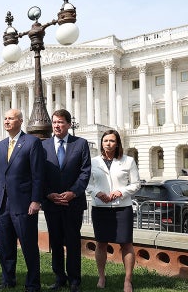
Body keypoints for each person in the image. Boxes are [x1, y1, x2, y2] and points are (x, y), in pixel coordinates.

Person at [0, 109, 43, 292]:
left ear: (20, 121)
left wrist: (36, 200)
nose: (6, 121)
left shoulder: (32, 142)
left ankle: (33, 283)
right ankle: (8, 280)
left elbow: (38, 175)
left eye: (10, 118)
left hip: (24, 204)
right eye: (5, 118)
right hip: (3, 204)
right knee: (5, 246)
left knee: (29, 245)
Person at [41, 109, 91, 292]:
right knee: (55, 241)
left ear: (69, 124)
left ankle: (75, 280)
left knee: (72, 241)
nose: (57, 125)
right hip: (52, 203)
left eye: (61, 122)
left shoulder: (81, 144)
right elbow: (39, 174)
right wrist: (48, 194)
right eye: (54, 122)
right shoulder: (43, 146)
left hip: (73, 203)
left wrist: (73, 192)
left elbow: (85, 172)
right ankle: (59, 278)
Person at [87, 130, 140, 292]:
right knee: (101, 244)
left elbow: (136, 184)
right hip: (100, 208)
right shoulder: (93, 161)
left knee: (126, 244)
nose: (108, 143)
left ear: (117, 143)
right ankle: (102, 277)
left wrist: (121, 192)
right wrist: (97, 193)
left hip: (122, 208)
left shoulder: (128, 161)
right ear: (101, 143)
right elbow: (87, 184)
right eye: (105, 141)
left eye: (111, 140)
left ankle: (127, 281)